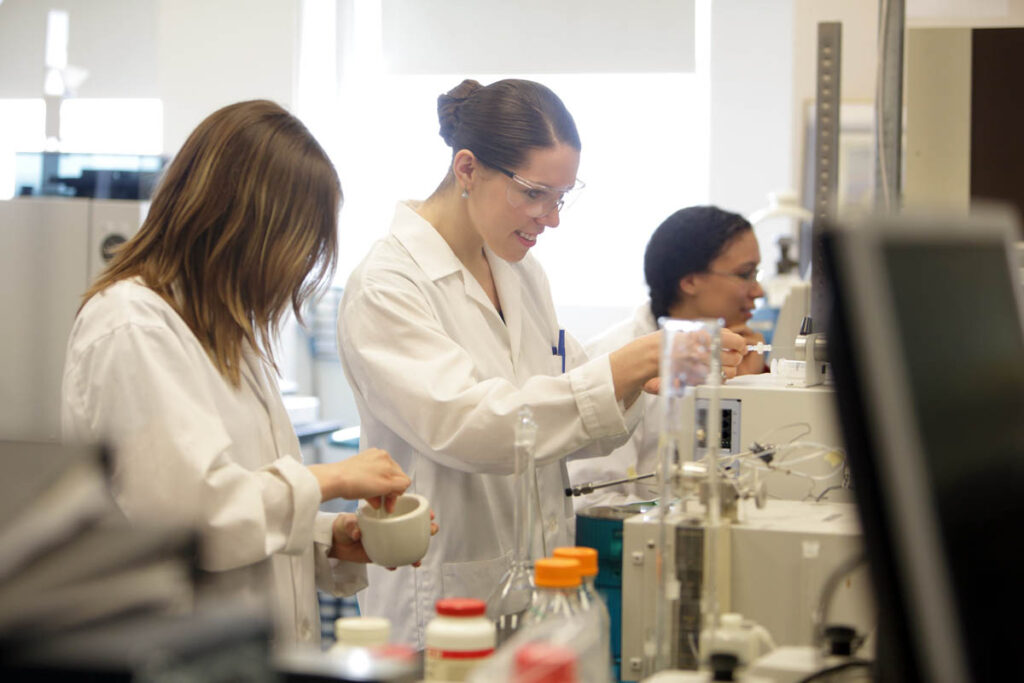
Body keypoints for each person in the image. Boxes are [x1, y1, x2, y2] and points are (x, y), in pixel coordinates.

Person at [336, 79, 745, 647]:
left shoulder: (520, 272)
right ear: (467, 169)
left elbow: (573, 418)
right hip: (442, 595)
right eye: (533, 193)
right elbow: (473, 427)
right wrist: (627, 364)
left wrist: (649, 375)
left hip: (537, 586)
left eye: (560, 196)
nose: (549, 218)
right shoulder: (387, 287)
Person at [61, 100, 416, 649]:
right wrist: (332, 479)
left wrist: (329, 537)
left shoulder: (223, 331)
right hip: (182, 653)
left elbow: (243, 503)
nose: (298, 270)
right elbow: (189, 517)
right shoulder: (132, 326)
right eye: (296, 246)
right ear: (238, 226)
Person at [568, 205, 766, 508]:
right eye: (745, 274)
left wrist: (749, 389)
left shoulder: (735, 354)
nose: (758, 290)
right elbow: (592, 500)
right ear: (689, 282)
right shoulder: (615, 357)